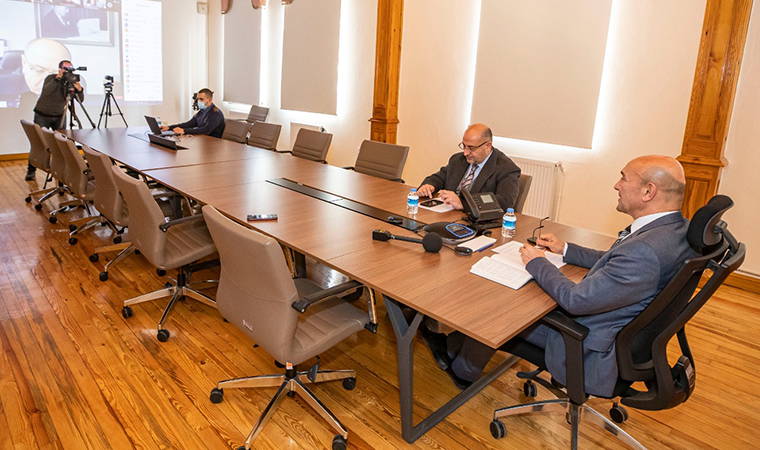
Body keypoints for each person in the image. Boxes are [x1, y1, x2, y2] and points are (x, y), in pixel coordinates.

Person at [443, 155, 696, 395]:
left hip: (586, 344)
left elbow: (575, 300)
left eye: (623, 178)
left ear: (648, 191)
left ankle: (462, 369)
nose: (616, 185)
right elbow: (614, 260)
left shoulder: (644, 251)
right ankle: (456, 346)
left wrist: (537, 262)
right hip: (621, 333)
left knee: (502, 304)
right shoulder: (674, 230)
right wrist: (565, 249)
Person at [417, 123, 521, 210]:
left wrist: (463, 203)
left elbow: (504, 202)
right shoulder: (458, 160)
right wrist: (429, 185)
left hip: (477, 222)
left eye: (471, 148)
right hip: (448, 213)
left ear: (488, 146)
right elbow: (440, 177)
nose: (465, 153)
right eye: (464, 146)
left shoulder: (507, 169)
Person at [26, 59, 83, 180]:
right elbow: (47, 91)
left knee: (61, 144)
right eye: (65, 68)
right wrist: (58, 78)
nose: (68, 71)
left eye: (70, 68)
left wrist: (79, 89)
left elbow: (80, 100)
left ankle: (61, 171)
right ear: (60, 69)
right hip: (42, 115)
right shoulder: (51, 78)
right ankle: (31, 171)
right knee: (39, 143)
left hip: (60, 116)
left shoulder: (71, 81)